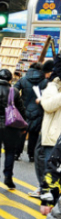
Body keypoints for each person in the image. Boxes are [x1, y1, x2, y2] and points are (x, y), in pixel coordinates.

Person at [38, 58, 61, 199]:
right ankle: (47, 197)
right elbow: (47, 105)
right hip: (53, 138)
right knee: (52, 173)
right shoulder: (52, 87)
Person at [15, 63, 46, 164]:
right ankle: (32, 155)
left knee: (21, 132)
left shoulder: (23, 79)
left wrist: (19, 101)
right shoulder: (45, 81)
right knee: (34, 133)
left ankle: (17, 153)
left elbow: (14, 90)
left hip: (23, 109)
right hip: (38, 109)